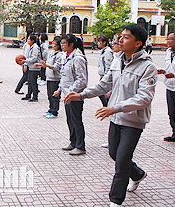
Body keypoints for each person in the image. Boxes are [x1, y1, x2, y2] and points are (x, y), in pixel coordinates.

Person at [64, 24, 157, 207]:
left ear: (138, 43)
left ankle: (115, 200)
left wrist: (115, 108)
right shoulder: (117, 61)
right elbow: (103, 85)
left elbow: (145, 98)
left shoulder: (148, 67)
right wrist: (81, 94)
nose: (120, 40)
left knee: (121, 161)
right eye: (120, 36)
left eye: (126, 37)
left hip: (133, 120)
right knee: (115, 154)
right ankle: (138, 174)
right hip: (116, 118)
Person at [53, 33, 88, 155]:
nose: (61, 45)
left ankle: (80, 145)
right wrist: (60, 89)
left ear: (71, 44)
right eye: (61, 43)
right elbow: (64, 76)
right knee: (70, 120)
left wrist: (71, 91)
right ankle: (73, 142)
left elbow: (81, 80)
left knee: (76, 120)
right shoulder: (65, 56)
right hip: (66, 94)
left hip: (75, 95)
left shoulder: (78, 58)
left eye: (63, 43)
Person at [38, 36, 63, 118]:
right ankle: (50, 109)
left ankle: (55, 111)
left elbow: (56, 67)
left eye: (54, 44)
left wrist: (46, 65)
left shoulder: (60, 55)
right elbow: (48, 63)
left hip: (55, 77)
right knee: (49, 95)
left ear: (58, 45)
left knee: (54, 95)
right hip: (49, 76)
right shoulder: (52, 53)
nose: (52, 45)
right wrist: (42, 64)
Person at [22, 35, 40, 102]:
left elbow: (34, 58)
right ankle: (28, 95)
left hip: (35, 67)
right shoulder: (29, 47)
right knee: (29, 81)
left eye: (29, 39)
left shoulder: (35, 47)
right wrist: (25, 64)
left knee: (33, 82)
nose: (27, 40)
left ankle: (35, 96)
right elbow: (26, 56)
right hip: (30, 66)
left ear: (32, 40)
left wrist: (25, 61)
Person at [98, 35, 114, 107]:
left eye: (99, 42)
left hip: (106, 76)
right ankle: (106, 106)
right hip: (103, 75)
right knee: (101, 92)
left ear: (104, 42)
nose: (98, 43)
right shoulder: (103, 51)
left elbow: (108, 66)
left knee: (101, 92)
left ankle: (106, 106)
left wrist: (105, 77)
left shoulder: (107, 52)